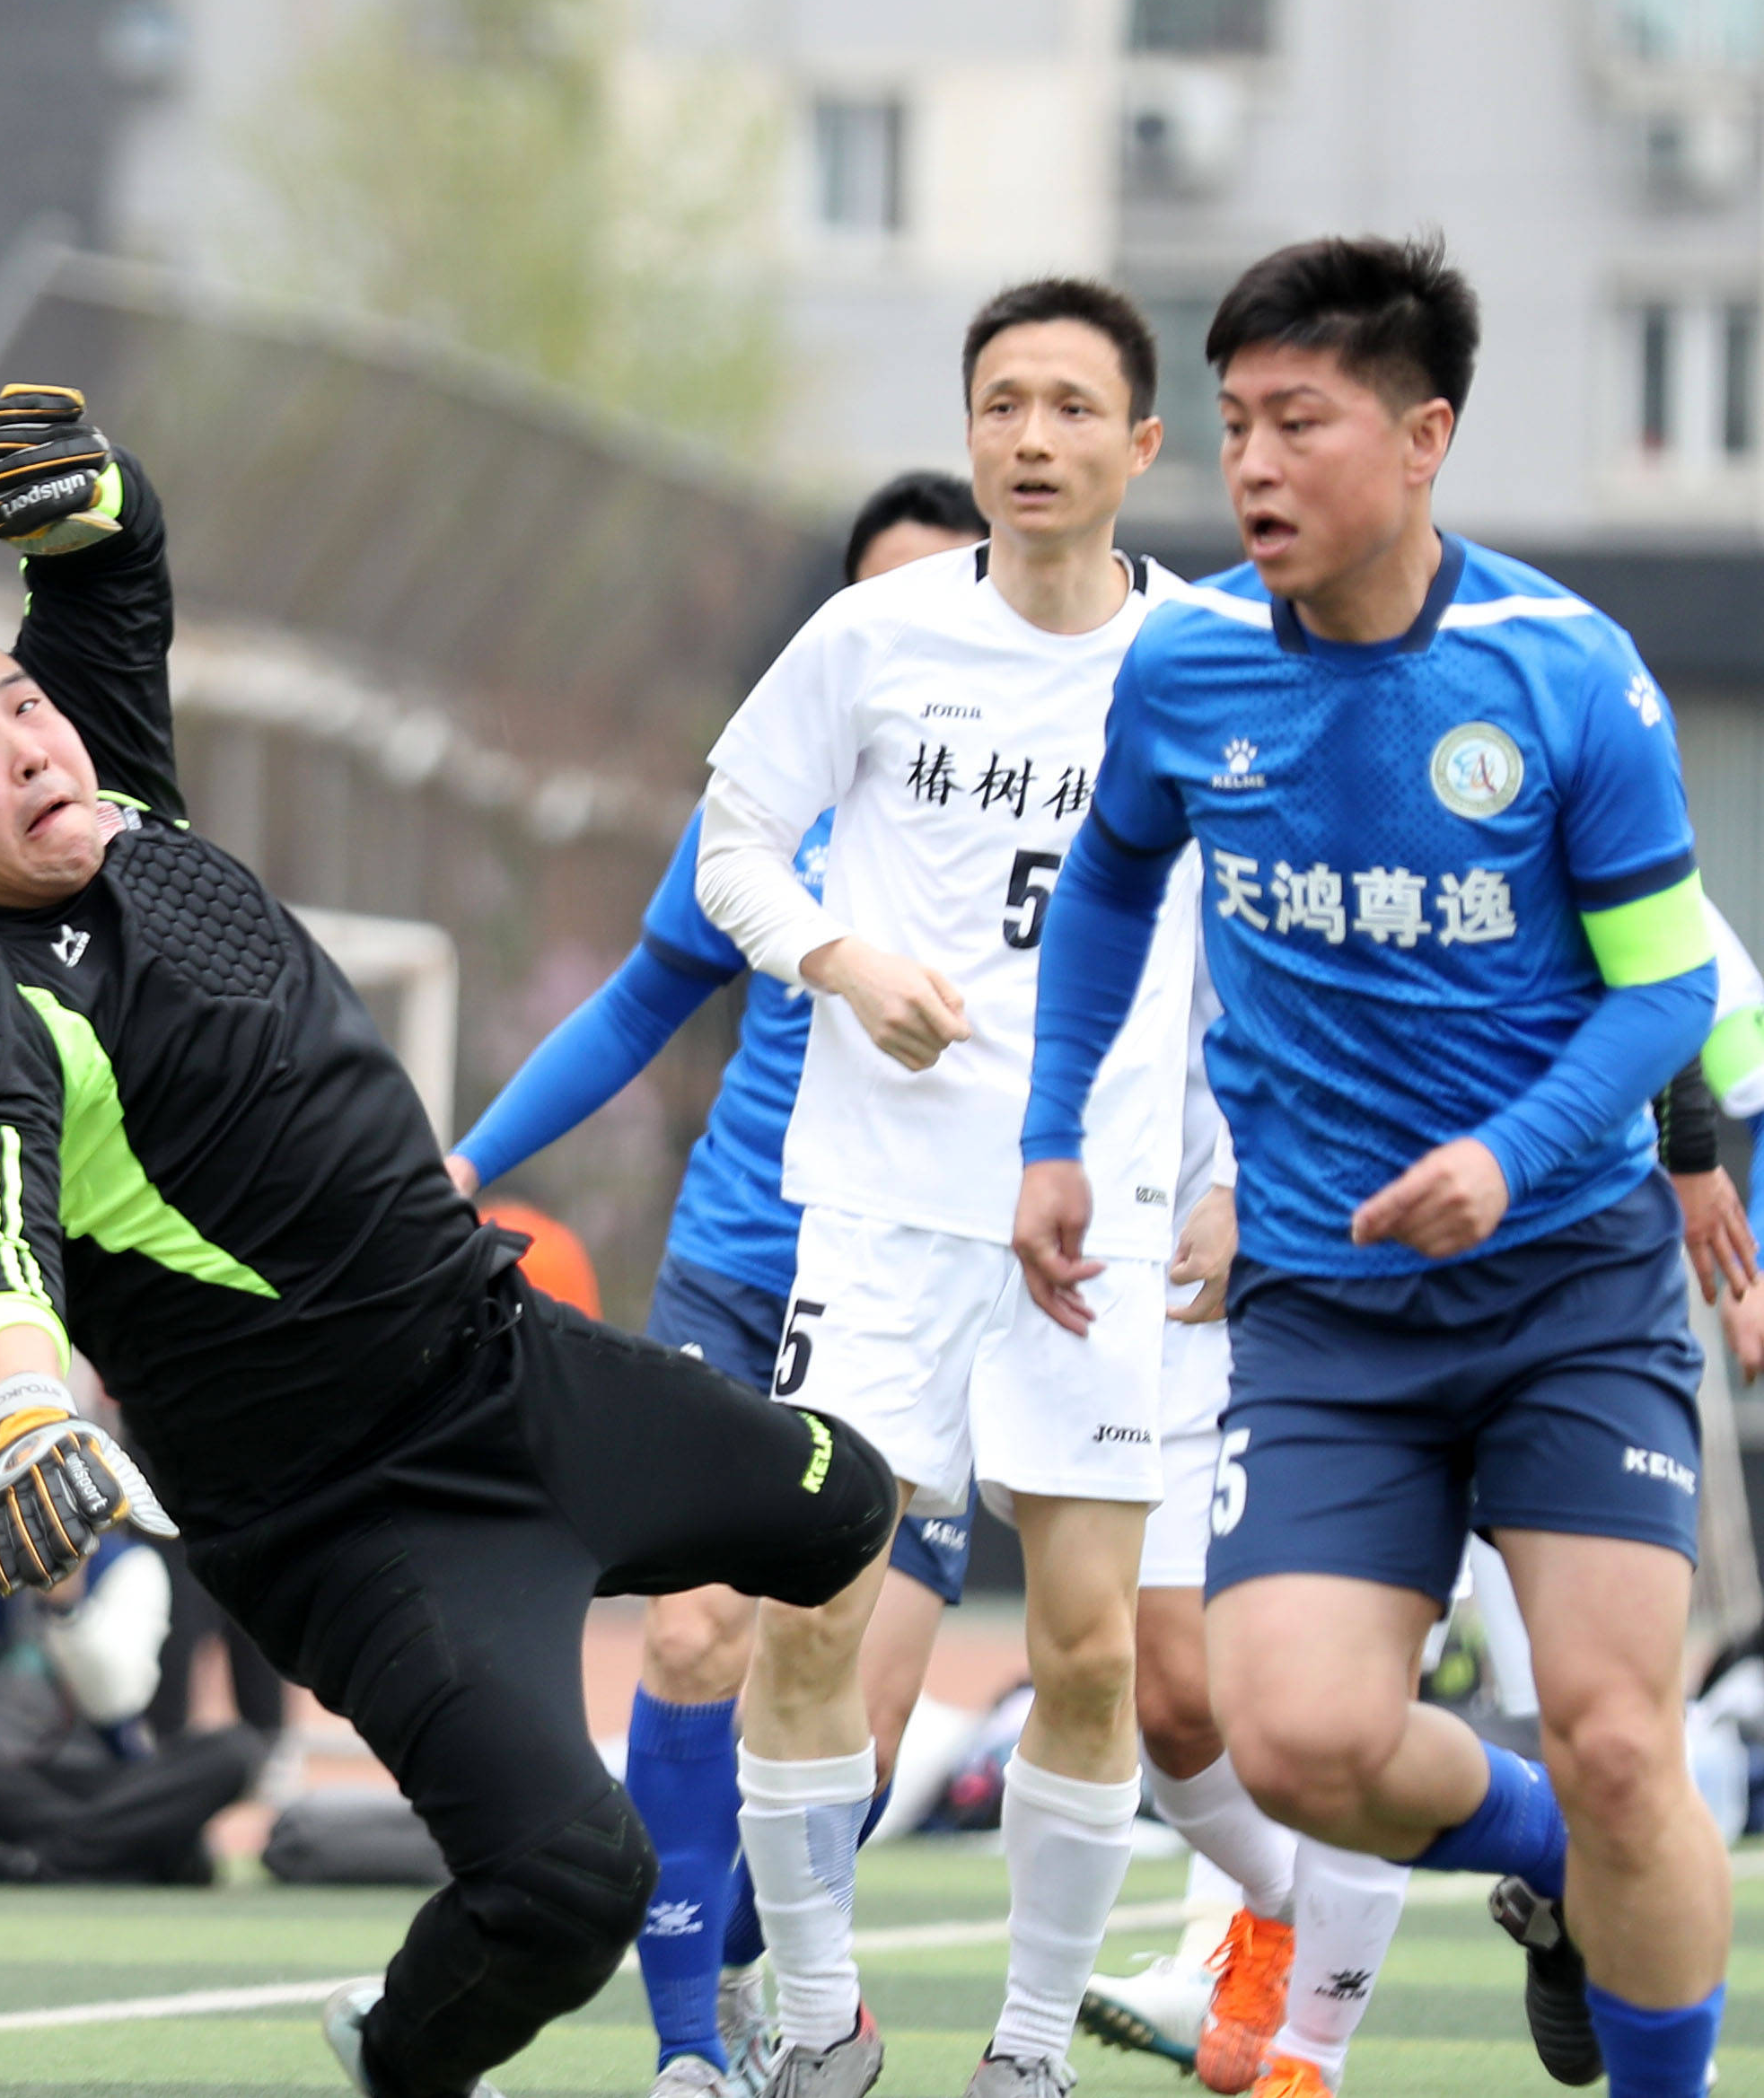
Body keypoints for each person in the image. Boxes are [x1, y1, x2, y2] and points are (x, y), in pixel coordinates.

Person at [0, 383, 897, 2098]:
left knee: (849, 1501)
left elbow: (114, 573)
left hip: (511, 1366)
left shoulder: (105, 798)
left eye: (18, 703)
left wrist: (82, 486)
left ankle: (804, 1968)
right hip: (353, 1513)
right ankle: (403, 2057)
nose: (27, 741)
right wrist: (23, 1402)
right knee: (568, 1886)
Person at [1020, 236, 1733, 2098]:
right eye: (1238, 424)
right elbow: (1107, 884)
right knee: (1299, 1744)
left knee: (1624, 1738)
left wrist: (1510, 1156)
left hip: (1570, 1289)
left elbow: (1666, 1000)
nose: (1253, 467)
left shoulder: (1565, 673)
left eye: (1301, 424)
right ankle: (1559, 1867)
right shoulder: (1185, 670)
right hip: (1331, 1316)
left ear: (1422, 441)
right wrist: (1052, 1135)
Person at [693, 282, 1195, 2098]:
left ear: (1144, 447)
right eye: (1002, 404)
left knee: (1083, 1649)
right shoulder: (874, 634)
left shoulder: (1208, 663)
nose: (1032, 439)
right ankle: (818, 2021)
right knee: (809, 1611)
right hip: (886, 1209)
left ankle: (1035, 2046)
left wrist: (1221, 1174)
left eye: (1073, 407)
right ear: (969, 429)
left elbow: (1249, 952)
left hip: (1104, 1223)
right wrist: (839, 957)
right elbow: (731, 838)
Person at [446, 470, 991, 2098]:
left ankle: (756, 1957)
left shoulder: (1044, 794)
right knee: (693, 1634)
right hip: (743, 1264)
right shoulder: (770, 800)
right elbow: (631, 1010)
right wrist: (463, 1163)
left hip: (927, 1274)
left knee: (860, 1728)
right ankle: (688, 2046)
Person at [0, 1514, 262, 1885]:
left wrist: (66, 1606)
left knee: (235, 1752)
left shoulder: (127, 1564)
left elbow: (117, 1700)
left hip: (97, 1782)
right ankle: (132, 1858)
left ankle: (23, 1864)